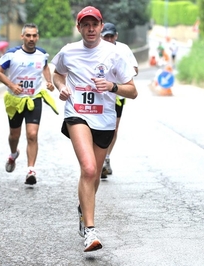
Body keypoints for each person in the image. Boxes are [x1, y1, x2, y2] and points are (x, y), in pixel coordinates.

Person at [51, 6, 138, 252]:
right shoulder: (68, 51)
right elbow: (57, 74)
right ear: (79, 28)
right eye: (85, 25)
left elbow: (133, 91)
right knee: (88, 168)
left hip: (105, 119)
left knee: (94, 175)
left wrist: (112, 87)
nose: (90, 29)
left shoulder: (115, 54)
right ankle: (90, 231)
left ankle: (82, 208)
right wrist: (62, 87)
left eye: (94, 24)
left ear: (101, 27)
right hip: (76, 114)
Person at [0, 23, 58, 185]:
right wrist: (12, 86)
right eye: (28, 35)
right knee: (14, 135)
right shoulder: (12, 55)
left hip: (34, 98)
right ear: (22, 36)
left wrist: (49, 82)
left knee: (32, 134)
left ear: (37, 37)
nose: (31, 39)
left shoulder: (42, 54)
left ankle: (31, 170)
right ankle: (13, 153)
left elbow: (45, 67)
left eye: (34, 35)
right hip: (15, 100)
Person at [100, 22, 138, 179]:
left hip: (118, 95)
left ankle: (106, 158)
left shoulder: (123, 49)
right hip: (100, 95)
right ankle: (98, 159)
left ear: (116, 36)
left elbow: (135, 69)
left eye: (111, 36)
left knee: (113, 128)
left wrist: (121, 74)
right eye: (106, 36)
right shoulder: (97, 49)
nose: (109, 39)